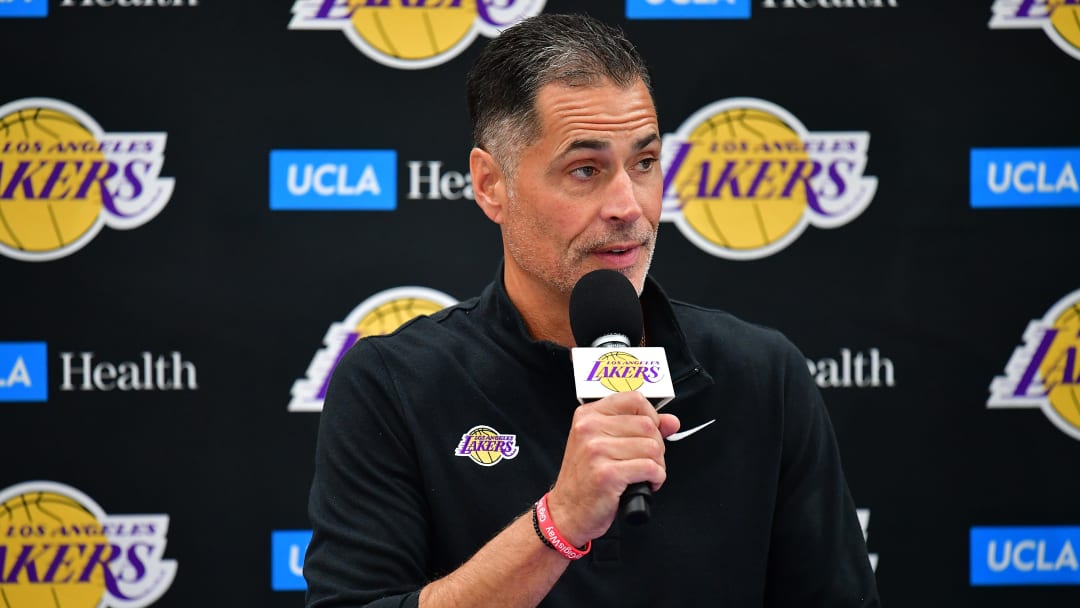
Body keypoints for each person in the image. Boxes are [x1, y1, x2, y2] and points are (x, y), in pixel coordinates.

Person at [304, 13, 880, 608]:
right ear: (489, 184)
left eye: (645, 163)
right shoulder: (393, 383)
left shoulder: (763, 375)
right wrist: (559, 522)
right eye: (585, 170)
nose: (628, 206)